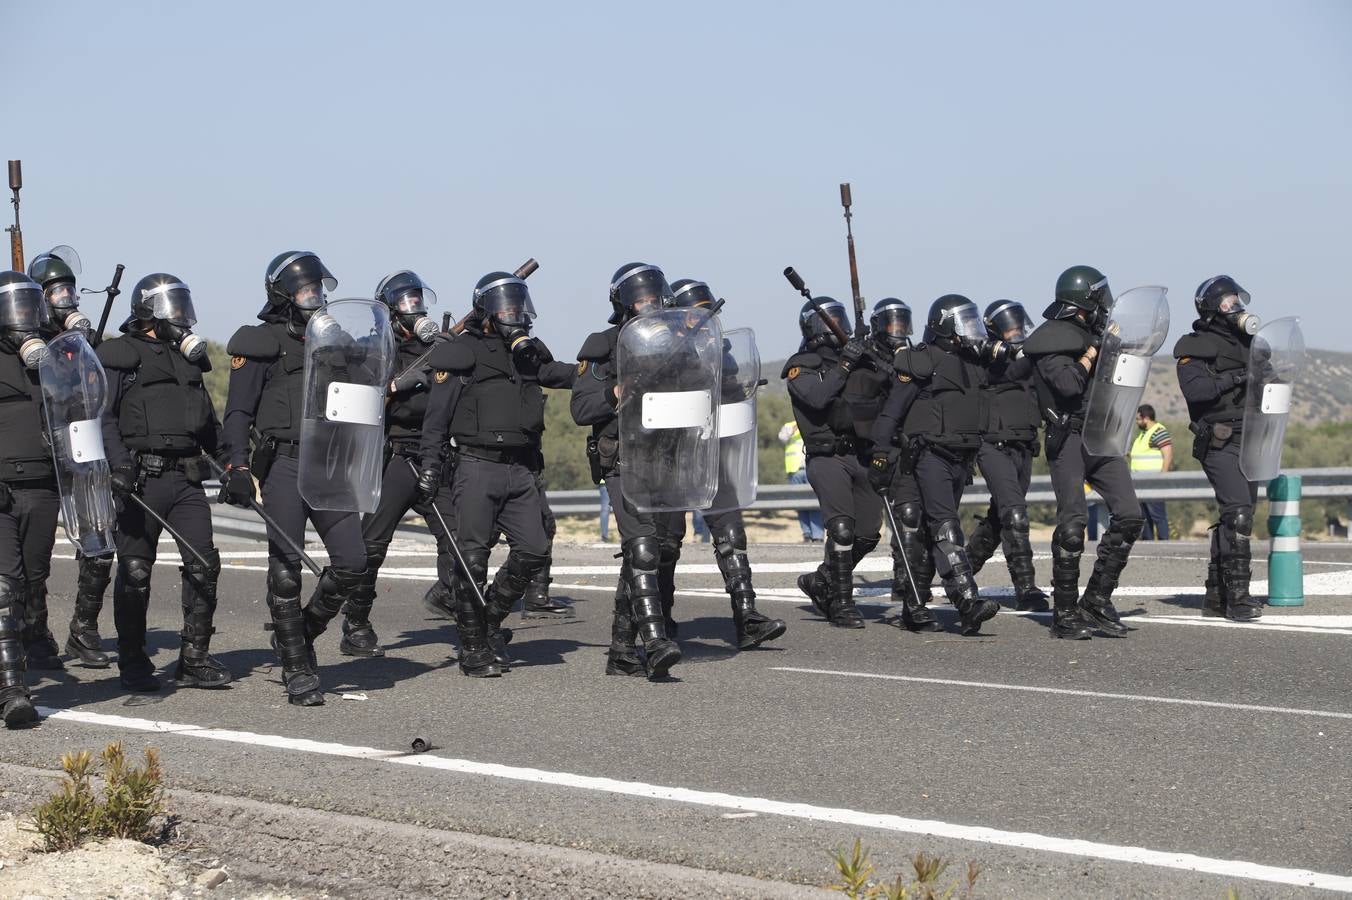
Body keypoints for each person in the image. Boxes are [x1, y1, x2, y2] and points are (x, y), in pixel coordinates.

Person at [220, 251, 369, 707]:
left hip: (331, 460)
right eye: (307, 290)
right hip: (283, 463)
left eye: (319, 289)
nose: (316, 297)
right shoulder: (259, 342)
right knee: (286, 570)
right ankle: (296, 667)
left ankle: (300, 633)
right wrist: (239, 466)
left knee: (353, 561)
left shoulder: (336, 342)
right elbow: (238, 412)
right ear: (284, 294)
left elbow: (363, 399)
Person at [417, 269, 573, 675]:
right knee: (473, 559)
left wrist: (603, 374)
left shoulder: (529, 351)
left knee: (535, 549)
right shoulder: (459, 351)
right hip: (475, 465)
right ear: (486, 310)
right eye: (507, 306)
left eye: (520, 306)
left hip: (520, 469)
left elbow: (557, 373)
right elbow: (435, 419)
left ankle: (487, 623)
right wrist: (430, 468)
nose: (515, 314)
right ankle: (472, 651)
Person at [97, 273, 230, 691]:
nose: (183, 315)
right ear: (148, 310)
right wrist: (118, 466)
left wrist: (235, 467)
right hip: (141, 478)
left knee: (205, 564)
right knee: (135, 571)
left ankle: (194, 660)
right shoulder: (120, 354)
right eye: (173, 305)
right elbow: (103, 416)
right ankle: (133, 662)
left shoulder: (189, 360)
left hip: (188, 478)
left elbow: (208, 422)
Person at [650, 279, 785, 651]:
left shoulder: (722, 353)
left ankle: (747, 617)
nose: (705, 323)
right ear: (678, 319)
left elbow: (730, 397)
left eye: (708, 313)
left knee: (731, 533)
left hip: (714, 452)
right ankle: (659, 618)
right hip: (673, 456)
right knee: (666, 543)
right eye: (695, 315)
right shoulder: (663, 353)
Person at [571, 263, 684, 677]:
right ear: (623, 303)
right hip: (621, 460)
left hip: (666, 461)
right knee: (642, 547)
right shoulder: (602, 345)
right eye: (642, 299)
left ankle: (621, 649)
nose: (651, 305)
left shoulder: (677, 345)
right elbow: (581, 408)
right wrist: (618, 389)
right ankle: (654, 643)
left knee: (658, 550)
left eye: (656, 297)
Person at [1022, 265, 1143, 640]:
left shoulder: (1097, 333)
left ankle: (1097, 598)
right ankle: (1065, 612)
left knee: (1129, 515)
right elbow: (1068, 383)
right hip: (1069, 437)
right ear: (1085, 300)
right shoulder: (1052, 339)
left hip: (1101, 436)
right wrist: (1092, 351)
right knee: (1073, 527)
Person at [869, 295, 1001, 635]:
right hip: (928, 455)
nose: (970, 328)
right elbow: (891, 413)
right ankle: (966, 601)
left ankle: (914, 605)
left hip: (961, 459)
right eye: (964, 321)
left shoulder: (974, 364)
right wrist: (881, 455)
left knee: (930, 533)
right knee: (945, 526)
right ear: (945, 325)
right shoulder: (920, 361)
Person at [342, 270, 453, 657]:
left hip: (435, 455)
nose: (414, 309)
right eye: (405, 302)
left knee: (462, 541)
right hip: (392, 455)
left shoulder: (441, 346)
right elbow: (353, 402)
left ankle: (453, 600)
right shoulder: (370, 348)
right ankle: (355, 623)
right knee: (371, 545)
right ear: (390, 310)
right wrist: (394, 386)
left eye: (417, 300)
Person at [27, 246, 109, 668]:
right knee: (34, 552)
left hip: (82, 446)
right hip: (41, 451)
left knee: (99, 540)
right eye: (55, 291)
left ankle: (84, 628)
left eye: (68, 290)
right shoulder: (27, 341)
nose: (66, 299)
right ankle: (34, 629)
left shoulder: (80, 343)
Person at [786, 298, 887, 629]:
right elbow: (818, 397)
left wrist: (872, 353)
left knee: (868, 534)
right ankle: (842, 602)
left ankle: (823, 579)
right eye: (833, 320)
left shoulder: (857, 361)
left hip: (860, 454)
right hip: (826, 456)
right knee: (841, 529)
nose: (839, 326)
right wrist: (846, 363)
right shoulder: (801, 366)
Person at [1173, 275, 1263, 620]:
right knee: (1238, 513)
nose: (1236, 307)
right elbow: (1196, 392)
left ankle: (1215, 595)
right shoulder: (1194, 346)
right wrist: (1239, 378)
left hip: (1253, 438)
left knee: (1238, 517)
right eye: (1227, 302)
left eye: (1237, 300)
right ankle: (1238, 599)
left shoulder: (1253, 343)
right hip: (1220, 440)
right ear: (1211, 309)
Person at [964, 300, 1049, 611]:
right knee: (1014, 513)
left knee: (1000, 517)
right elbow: (1011, 368)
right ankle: (1026, 587)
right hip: (992, 446)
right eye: (1009, 327)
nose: (1017, 332)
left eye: (1019, 325)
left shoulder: (1032, 359)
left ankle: (963, 569)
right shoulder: (987, 360)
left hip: (1024, 446)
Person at [0, 271, 55, 726]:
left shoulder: (51, 362)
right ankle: (13, 690)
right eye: (17, 308)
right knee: (4, 586)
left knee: (31, 583)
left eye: (31, 307)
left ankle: (24, 651)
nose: (27, 319)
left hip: (42, 485)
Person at [1130, 404, 1173, 540]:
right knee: (1144, 517)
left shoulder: (1158, 431)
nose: (1137, 422)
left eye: (1138, 419)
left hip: (1153, 481)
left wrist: (1162, 476)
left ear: (1146, 418)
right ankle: (1148, 545)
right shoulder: (1143, 434)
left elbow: (1168, 454)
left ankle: (1164, 544)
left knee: (1158, 515)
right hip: (1140, 482)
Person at [778, 419, 823, 542]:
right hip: (794, 471)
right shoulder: (788, 426)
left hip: (811, 469)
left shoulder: (812, 424)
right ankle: (807, 534)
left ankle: (818, 535)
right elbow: (782, 438)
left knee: (814, 503)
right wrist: (796, 426)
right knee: (800, 504)